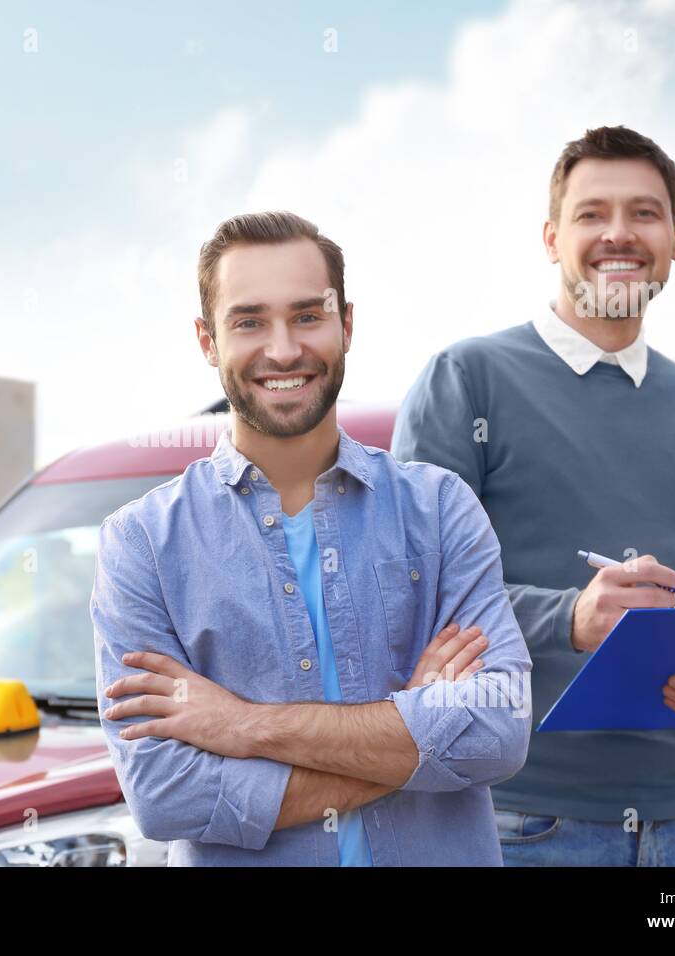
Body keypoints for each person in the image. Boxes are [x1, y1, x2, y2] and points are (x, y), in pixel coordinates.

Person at [392, 126, 675, 866]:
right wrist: (568, 617)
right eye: (590, 214)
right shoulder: (466, 379)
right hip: (517, 826)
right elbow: (409, 591)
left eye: (643, 213)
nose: (618, 234)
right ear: (551, 238)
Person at [91, 210, 531, 865]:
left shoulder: (441, 510)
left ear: (346, 324)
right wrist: (414, 726)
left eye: (307, 315)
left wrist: (244, 726)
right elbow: (165, 794)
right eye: (248, 321)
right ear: (207, 341)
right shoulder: (142, 544)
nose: (284, 349)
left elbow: (497, 730)